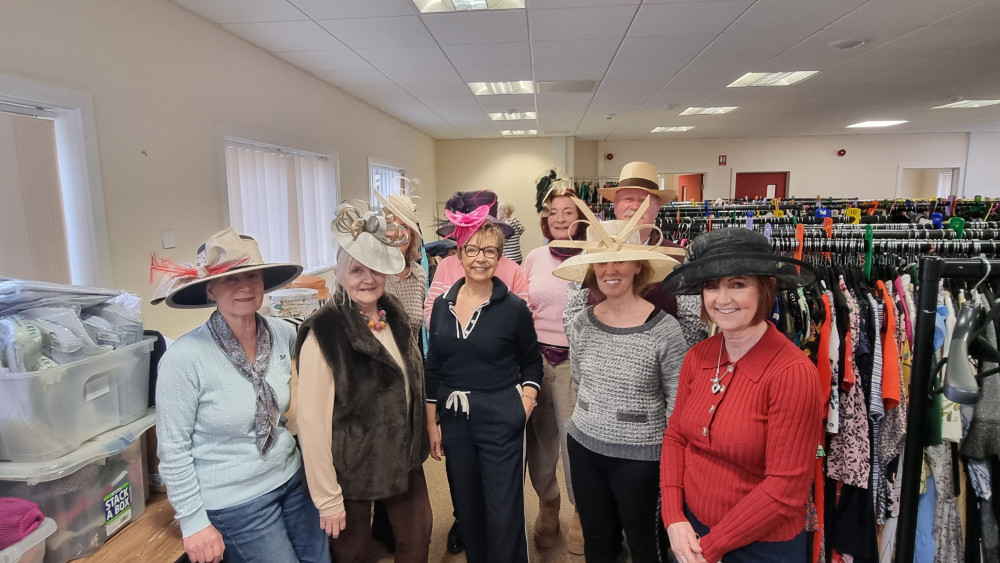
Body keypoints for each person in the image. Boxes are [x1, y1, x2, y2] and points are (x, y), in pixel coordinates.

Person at [151, 228, 329, 563]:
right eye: (231, 280)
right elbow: (173, 449)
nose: (245, 287)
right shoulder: (184, 359)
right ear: (211, 289)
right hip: (236, 500)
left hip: (292, 477)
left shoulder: (283, 333)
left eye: (252, 276)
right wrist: (193, 523)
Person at [659, 228, 826, 563]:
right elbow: (677, 436)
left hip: (761, 548)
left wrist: (711, 547)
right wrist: (674, 518)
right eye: (711, 285)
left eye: (738, 284)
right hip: (690, 533)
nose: (722, 299)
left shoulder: (792, 374)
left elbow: (784, 491)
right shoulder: (699, 356)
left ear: (765, 287)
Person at [294, 204, 432, 563]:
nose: (367, 279)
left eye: (374, 269)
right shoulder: (324, 331)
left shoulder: (393, 313)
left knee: (418, 535)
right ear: (340, 275)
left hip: (402, 456)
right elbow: (310, 423)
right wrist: (327, 499)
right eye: (356, 270)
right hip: (350, 468)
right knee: (351, 552)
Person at [553, 196, 685, 563]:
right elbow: (579, 382)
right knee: (598, 541)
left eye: (620, 260)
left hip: (643, 459)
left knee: (645, 545)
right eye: (601, 262)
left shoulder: (666, 330)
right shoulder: (582, 323)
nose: (611, 269)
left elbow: (677, 405)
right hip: (585, 447)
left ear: (637, 267)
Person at [425, 218, 543, 563]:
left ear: (499, 257)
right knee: (469, 507)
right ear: (459, 255)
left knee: (504, 511)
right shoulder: (442, 305)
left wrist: (524, 404)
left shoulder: (514, 309)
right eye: (472, 249)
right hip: (456, 419)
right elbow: (434, 364)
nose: (480, 258)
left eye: (489, 250)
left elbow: (531, 363)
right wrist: (433, 424)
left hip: (501, 415)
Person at [521, 176, 585, 552]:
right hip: (537, 360)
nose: (560, 219)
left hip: (578, 361)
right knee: (540, 441)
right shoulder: (534, 257)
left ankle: (580, 509)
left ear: (581, 217)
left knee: (574, 442)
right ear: (546, 219)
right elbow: (522, 306)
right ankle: (549, 503)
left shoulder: (593, 257)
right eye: (554, 212)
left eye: (569, 212)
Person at [599, 161, 706, 348]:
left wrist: (670, 360)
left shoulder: (679, 258)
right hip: (602, 363)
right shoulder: (592, 253)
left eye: (643, 201)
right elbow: (573, 311)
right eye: (628, 199)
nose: (635, 206)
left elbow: (693, 321)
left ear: (657, 208)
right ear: (615, 207)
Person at [376, 184, 428, 342]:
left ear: (412, 234)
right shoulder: (372, 273)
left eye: (404, 227)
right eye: (391, 226)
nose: (397, 233)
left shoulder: (418, 274)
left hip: (411, 362)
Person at [498, 200, 525, 264]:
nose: (495, 214)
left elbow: (502, 240)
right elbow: (522, 229)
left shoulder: (506, 225)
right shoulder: (516, 221)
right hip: (517, 256)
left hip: (509, 257)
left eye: (497, 212)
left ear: (505, 213)